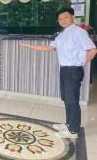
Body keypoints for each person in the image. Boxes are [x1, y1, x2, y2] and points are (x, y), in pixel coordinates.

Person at [20, 7, 97, 139]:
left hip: (73, 70)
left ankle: (73, 131)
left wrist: (80, 63)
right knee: (67, 99)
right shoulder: (62, 34)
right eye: (60, 19)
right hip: (65, 69)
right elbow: (49, 47)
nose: (63, 20)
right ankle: (68, 124)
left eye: (65, 17)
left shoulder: (79, 32)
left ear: (72, 17)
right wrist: (29, 46)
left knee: (72, 101)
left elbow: (92, 50)